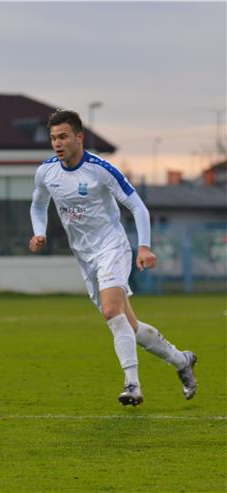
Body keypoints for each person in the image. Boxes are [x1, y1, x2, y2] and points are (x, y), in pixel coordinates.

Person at [29, 109, 197, 406]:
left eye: (63, 136)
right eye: (53, 138)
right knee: (129, 326)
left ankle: (132, 384)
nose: (57, 143)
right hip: (85, 257)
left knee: (110, 311)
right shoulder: (46, 172)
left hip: (112, 247)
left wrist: (144, 246)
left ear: (79, 137)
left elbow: (138, 206)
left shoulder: (100, 169)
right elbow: (38, 205)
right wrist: (39, 232)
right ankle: (182, 360)